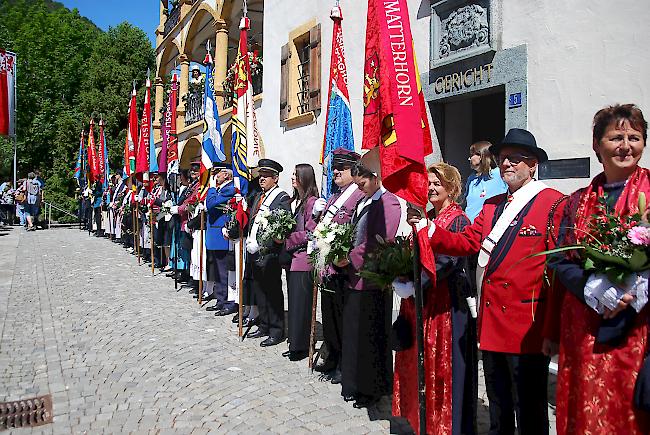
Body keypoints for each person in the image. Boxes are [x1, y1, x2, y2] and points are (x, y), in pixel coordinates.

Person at [418, 128, 565, 435]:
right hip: (493, 321)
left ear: (533, 164)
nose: (507, 164)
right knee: (498, 402)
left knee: (529, 407)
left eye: (516, 159)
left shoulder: (552, 203)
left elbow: (557, 272)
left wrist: (553, 328)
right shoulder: (491, 205)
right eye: (503, 159)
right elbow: (467, 242)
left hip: (528, 326)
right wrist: (430, 231)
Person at [548, 104, 650, 434]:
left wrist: (640, 286)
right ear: (596, 145)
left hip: (639, 333)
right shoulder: (576, 202)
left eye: (634, 137)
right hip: (584, 333)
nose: (626, 146)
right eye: (615, 137)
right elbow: (560, 260)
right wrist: (590, 287)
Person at [393, 162, 477, 435]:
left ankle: (445, 423)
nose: (430, 188)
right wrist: (399, 274)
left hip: (445, 305)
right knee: (422, 364)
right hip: (423, 303)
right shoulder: (426, 215)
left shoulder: (458, 219)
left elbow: (449, 261)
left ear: (451, 187)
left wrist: (417, 285)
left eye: (436, 183)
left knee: (443, 370)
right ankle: (424, 420)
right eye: (428, 183)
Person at [339, 152, 402, 409]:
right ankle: (354, 382)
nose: (359, 188)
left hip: (373, 279)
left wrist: (349, 256)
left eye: (362, 183)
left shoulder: (389, 202)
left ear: (375, 177)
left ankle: (372, 388)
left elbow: (381, 240)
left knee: (371, 335)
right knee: (355, 333)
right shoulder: (364, 201)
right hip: (354, 276)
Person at [313, 148, 365, 384]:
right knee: (331, 318)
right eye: (334, 168)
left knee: (343, 320)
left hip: (344, 269)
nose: (335, 172)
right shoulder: (335, 196)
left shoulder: (357, 196)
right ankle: (333, 357)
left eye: (341, 169)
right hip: (327, 268)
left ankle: (345, 363)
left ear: (354, 171)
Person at [245, 159, 291, 347]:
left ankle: (276, 329)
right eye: (260, 175)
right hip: (254, 251)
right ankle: (264, 324)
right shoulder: (259, 196)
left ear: (275, 178)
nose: (261, 179)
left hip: (270, 253)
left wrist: (266, 243)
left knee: (272, 292)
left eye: (265, 176)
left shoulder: (281, 197)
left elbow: (281, 227)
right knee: (259, 290)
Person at [284, 163, 319, 361]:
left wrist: (289, 239)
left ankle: (301, 345)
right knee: (295, 303)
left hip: (304, 260)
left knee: (300, 305)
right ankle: (295, 342)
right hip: (294, 259)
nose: (292, 178)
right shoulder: (299, 201)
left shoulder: (312, 202)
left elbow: (311, 232)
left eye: (295, 175)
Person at [204, 164, 237, 315]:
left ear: (227, 175)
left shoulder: (229, 188)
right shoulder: (220, 189)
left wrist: (210, 189)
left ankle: (227, 301)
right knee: (217, 270)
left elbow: (211, 204)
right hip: (214, 234)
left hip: (221, 235)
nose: (215, 175)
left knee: (224, 271)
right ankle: (220, 298)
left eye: (218, 172)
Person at [464, 141, 507, 223]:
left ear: (481, 156)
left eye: (471, 155)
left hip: (491, 227)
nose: (469, 159)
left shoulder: (500, 174)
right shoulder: (471, 178)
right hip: (469, 228)